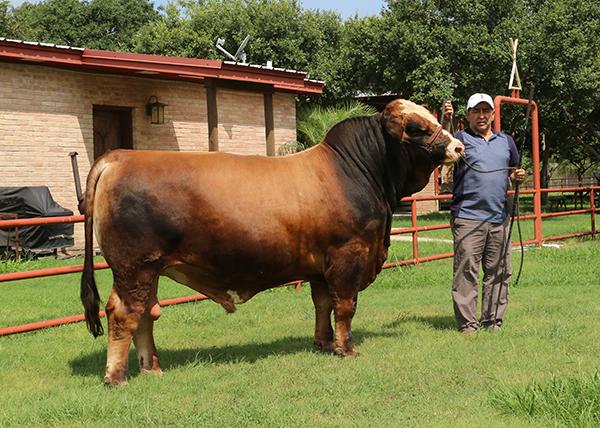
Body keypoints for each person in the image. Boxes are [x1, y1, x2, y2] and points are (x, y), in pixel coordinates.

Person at [442, 93, 526, 335]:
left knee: (499, 271)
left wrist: (518, 176)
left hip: (499, 217)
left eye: (485, 111)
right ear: (468, 115)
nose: (481, 115)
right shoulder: (459, 139)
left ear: (492, 114)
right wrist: (446, 120)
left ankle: (493, 321)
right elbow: (442, 152)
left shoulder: (506, 141)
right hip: (468, 217)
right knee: (466, 271)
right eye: (476, 111)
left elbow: (513, 171)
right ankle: (468, 325)